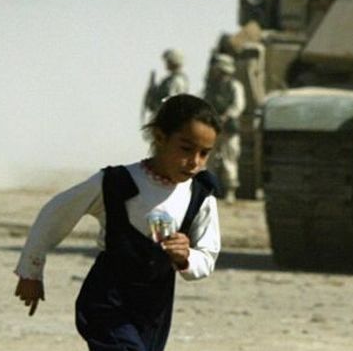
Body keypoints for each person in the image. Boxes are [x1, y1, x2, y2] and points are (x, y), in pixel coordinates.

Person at [14, 94, 223, 350]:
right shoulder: (116, 182)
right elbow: (54, 215)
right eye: (186, 149)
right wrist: (31, 272)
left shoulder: (200, 196)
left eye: (204, 153)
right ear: (160, 137)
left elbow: (207, 255)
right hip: (107, 301)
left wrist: (185, 256)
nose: (195, 162)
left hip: (154, 310)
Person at [203, 54, 245, 201]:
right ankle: (210, 190)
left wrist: (225, 116)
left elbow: (238, 106)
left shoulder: (235, 86)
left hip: (229, 128)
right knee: (209, 160)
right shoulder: (212, 87)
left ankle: (230, 191)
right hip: (212, 128)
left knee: (229, 159)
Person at [143, 49, 189, 120]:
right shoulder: (169, 79)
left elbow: (171, 99)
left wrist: (158, 103)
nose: (166, 64)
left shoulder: (177, 79)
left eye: (168, 61)